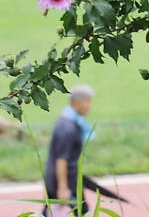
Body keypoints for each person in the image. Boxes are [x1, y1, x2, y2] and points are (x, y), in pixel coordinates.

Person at [43, 84, 96, 217]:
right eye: (87, 102)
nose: (89, 106)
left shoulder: (70, 121)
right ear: (76, 103)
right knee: (76, 211)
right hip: (64, 179)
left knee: (80, 210)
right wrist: (63, 187)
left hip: (71, 177)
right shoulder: (68, 128)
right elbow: (62, 158)